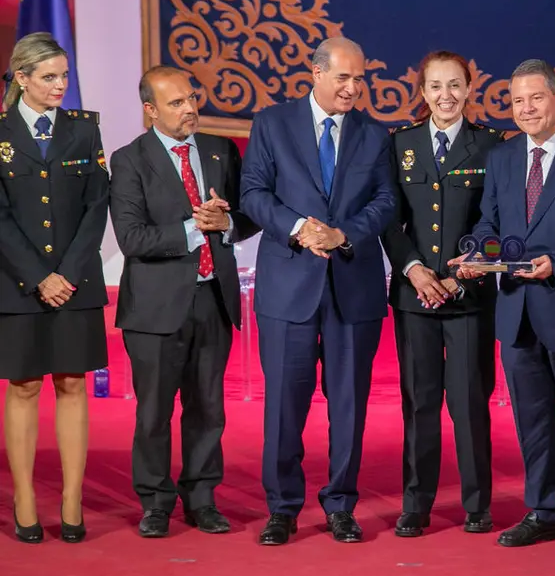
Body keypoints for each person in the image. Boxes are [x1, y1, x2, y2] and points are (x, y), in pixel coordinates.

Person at [450, 58, 555, 554]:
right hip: (516, 311)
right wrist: (477, 255)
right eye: (517, 101)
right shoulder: (504, 158)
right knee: (533, 419)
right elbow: (490, 225)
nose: (526, 109)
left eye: (535, 98)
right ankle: (543, 511)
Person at [240, 36, 396, 545]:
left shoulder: (376, 134)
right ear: (316, 73)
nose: (353, 88)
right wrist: (299, 227)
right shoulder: (272, 123)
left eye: (360, 79)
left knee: (348, 403)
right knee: (284, 402)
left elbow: (386, 200)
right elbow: (254, 193)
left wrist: (342, 233)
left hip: (354, 284)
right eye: (344, 78)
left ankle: (341, 505)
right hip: (289, 286)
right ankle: (282, 508)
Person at [109, 65, 259, 538]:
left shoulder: (219, 150)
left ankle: (201, 498)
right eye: (176, 103)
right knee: (154, 411)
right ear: (150, 110)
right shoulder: (129, 159)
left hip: (212, 299)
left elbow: (246, 216)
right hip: (155, 309)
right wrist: (199, 227)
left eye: (192, 98)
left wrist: (228, 223)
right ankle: (155, 502)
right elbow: (132, 238)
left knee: (208, 408)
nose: (190, 108)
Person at [381, 51, 503, 537]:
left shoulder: (492, 146)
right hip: (415, 296)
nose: (445, 96)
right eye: (435, 86)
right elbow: (388, 218)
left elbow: (497, 222)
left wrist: (460, 276)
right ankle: (416, 503)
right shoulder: (400, 144)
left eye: (455, 86)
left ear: (470, 89)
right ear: (423, 91)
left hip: (468, 296)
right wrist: (413, 270)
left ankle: (477, 503)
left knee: (470, 401)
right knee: (419, 401)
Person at [0, 31, 109, 544]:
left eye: (64, 76)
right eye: (49, 77)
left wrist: (65, 274)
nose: (61, 85)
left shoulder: (85, 131)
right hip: (16, 285)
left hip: (75, 282)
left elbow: (96, 208)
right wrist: (39, 276)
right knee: (22, 387)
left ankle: (71, 499)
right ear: (22, 79)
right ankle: (24, 499)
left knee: (72, 384)